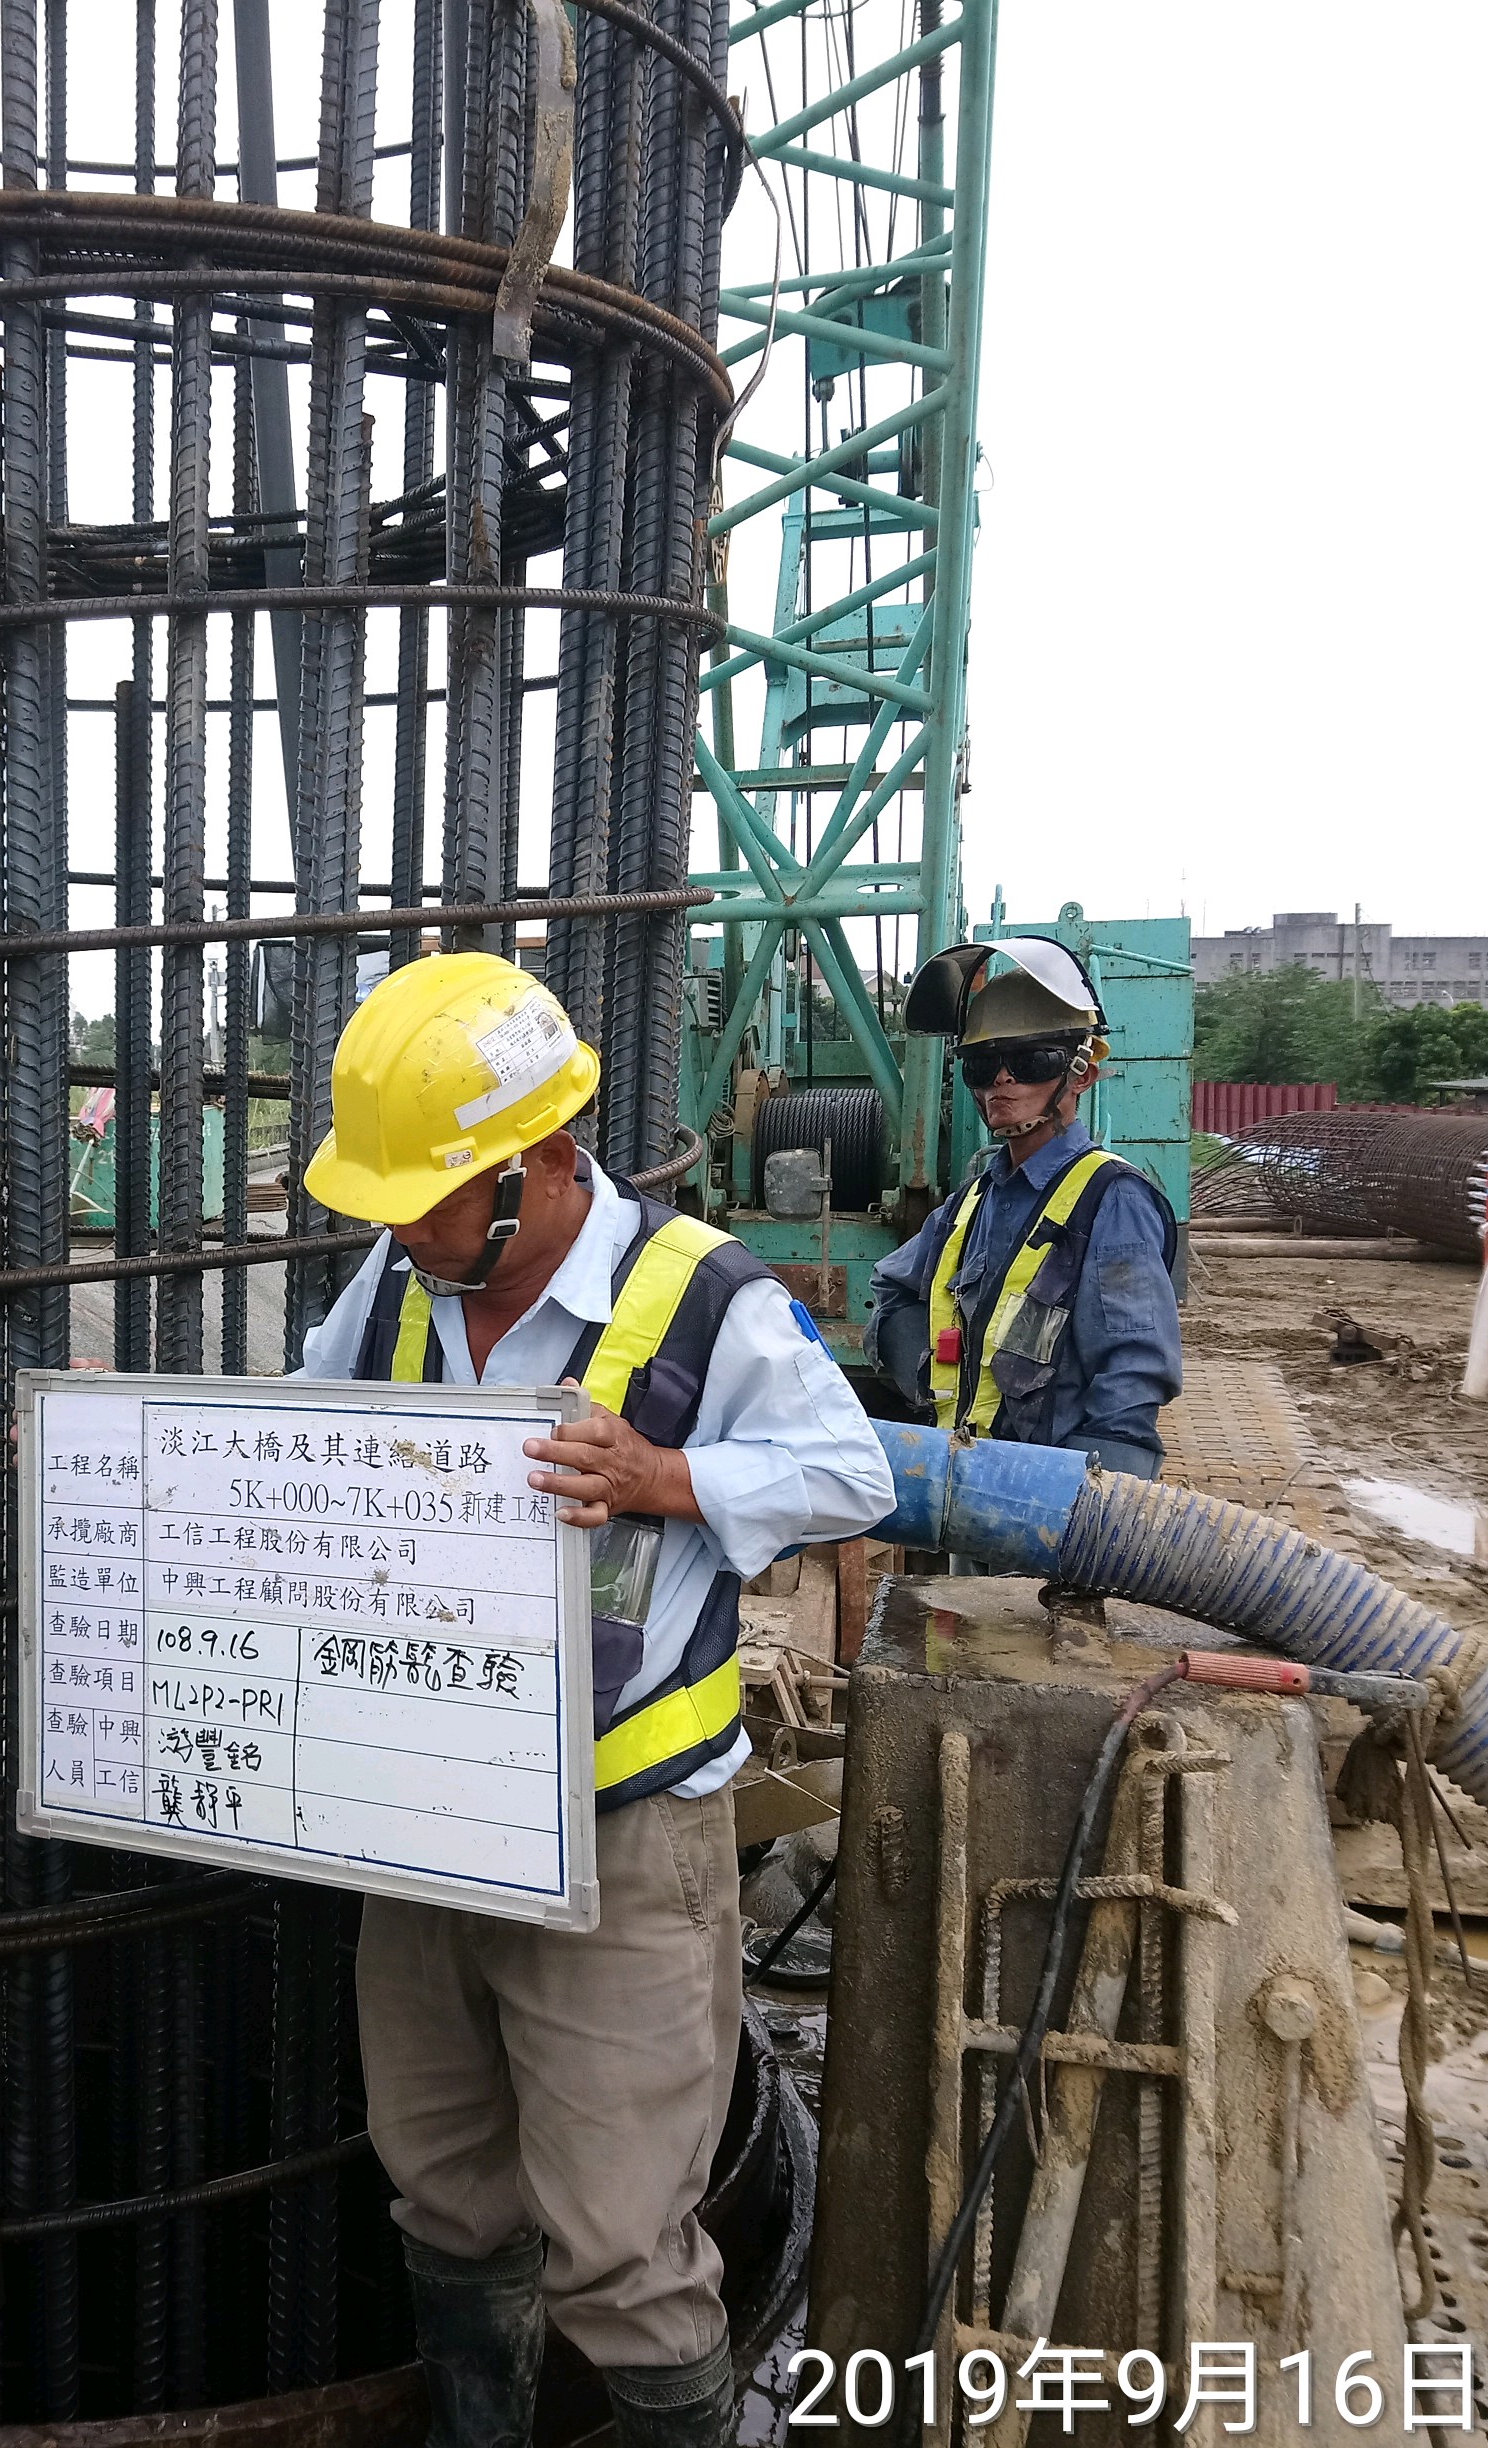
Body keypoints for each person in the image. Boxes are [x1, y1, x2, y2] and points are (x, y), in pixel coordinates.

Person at [293, 952, 894, 2448]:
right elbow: (304, 1425)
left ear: (546, 1162)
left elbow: (854, 1473)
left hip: (623, 1846)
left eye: (427, 1197)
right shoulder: (404, 1272)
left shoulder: (702, 1295)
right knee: (440, 2177)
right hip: (426, 1818)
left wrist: (667, 1477)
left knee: (623, 2240)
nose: (400, 1234)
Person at [868, 937, 1183, 1475]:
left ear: (1082, 1072)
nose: (1002, 1080)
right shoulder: (971, 1202)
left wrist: (1094, 1511)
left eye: (1031, 1060)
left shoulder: (1112, 1200)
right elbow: (891, 1293)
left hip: (1050, 1500)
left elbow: (1132, 1374)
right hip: (963, 1478)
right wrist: (929, 1373)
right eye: (982, 1065)